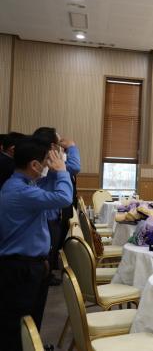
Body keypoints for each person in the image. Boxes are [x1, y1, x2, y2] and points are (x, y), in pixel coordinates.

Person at [0, 137, 73, 351]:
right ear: (34, 165)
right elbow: (64, 198)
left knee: (29, 319)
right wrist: (62, 171)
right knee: (19, 325)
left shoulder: (21, 184)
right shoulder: (22, 192)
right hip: (20, 268)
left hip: (27, 263)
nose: (48, 166)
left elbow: (47, 192)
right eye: (46, 162)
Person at [33, 127, 80, 286]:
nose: (61, 147)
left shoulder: (39, 160)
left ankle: (46, 276)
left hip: (48, 214)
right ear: (53, 147)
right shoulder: (49, 163)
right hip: (48, 216)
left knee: (48, 253)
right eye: (59, 143)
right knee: (46, 255)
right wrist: (72, 147)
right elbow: (74, 167)